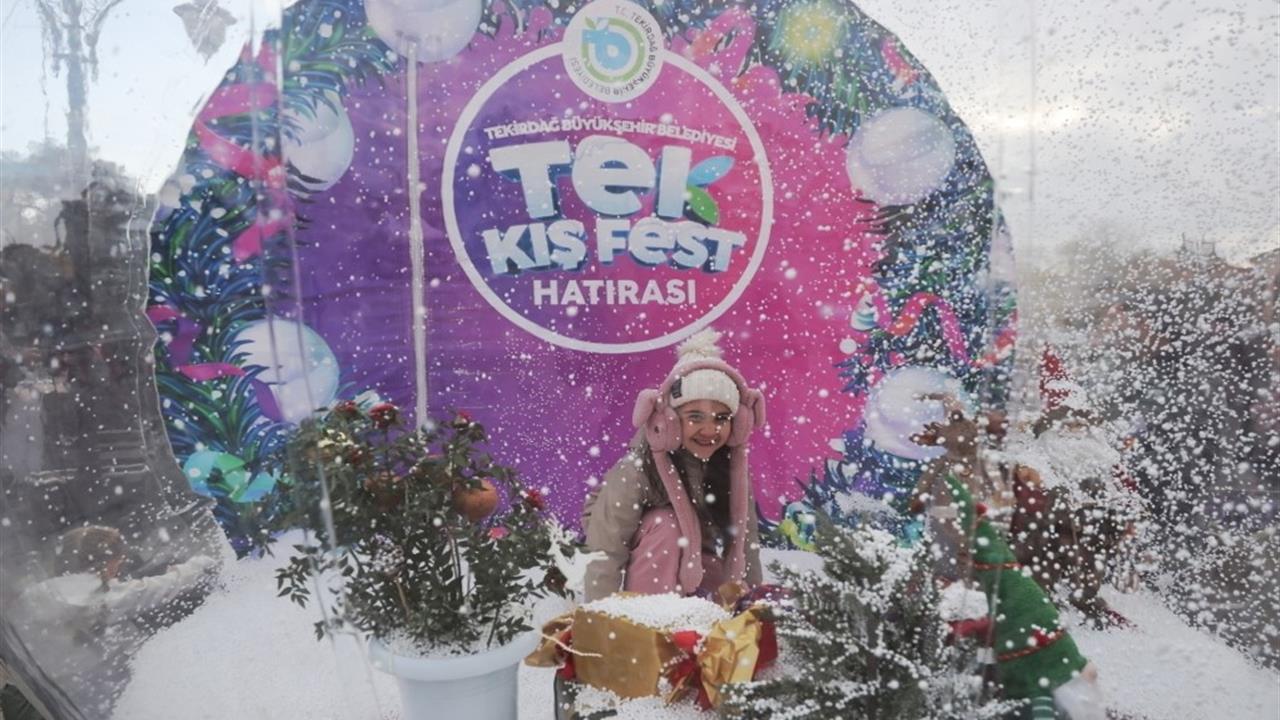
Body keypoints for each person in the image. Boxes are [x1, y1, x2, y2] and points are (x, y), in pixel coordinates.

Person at [581, 329, 766, 602]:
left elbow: (744, 541)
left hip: (693, 555)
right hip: (640, 551)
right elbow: (605, 550)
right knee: (666, 525)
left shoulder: (731, 466)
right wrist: (600, 613)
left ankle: (693, 615)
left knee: (722, 596)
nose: (709, 430)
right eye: (695, 417)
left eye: (721, 418)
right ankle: (650, 616)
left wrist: (752, 606)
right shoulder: (637, 468)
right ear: (668, 420)